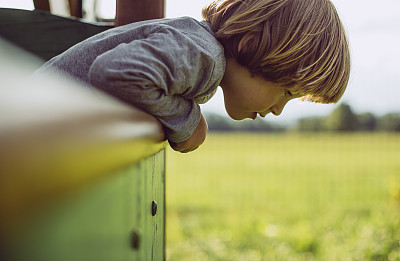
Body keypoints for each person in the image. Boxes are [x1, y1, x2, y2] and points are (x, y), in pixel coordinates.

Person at [36, 0, 350, 153]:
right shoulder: (204, 54)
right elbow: (115, 72)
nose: (278, 110)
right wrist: (187, 123)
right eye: (287, 92)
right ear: (251, 43)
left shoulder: (196, 47)